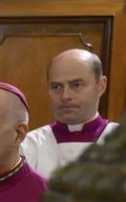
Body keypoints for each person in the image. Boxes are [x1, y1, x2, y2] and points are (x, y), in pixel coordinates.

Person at [21, 49, 118, 179]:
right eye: (57, 87)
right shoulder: (29, 145)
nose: (65, 96)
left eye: (76, 85)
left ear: (101, 85)